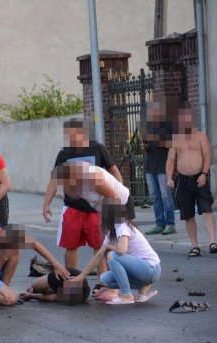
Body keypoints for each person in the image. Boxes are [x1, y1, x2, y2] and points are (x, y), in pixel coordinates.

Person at [43, 118, 124, 273]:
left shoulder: (97, 149)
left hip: (96, 209)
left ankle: (103, 283)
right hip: (73, 208)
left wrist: (119, 191)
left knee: (99, 246)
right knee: (71, 246)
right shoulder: (64, 153)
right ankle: (71, 280)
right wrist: (46, 204)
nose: (70, 136)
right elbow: (54, 181)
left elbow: (113, 170)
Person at [0, 223, 70, 306]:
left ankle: (2, 291)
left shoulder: (6, 231)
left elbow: (34, 244)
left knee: (14, 256)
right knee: (11, 299)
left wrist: (56, 264)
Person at [70, 199, 160, 305]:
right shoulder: (111, 230)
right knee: (104, 279)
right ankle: (142, 286)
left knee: (112, 255)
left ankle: (127, 295)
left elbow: (122, 250)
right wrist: (82, 275)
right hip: (142, 271)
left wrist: (107, 246)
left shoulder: (122, 225)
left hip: (151, 269)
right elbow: (99, 256)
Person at [166, 103, 216, 257]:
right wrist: (169, 178)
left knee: (207, 210)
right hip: (183, 180)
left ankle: (213, 242)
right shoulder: (175, 139)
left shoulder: (200, 136)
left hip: (199, 178)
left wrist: (204, 174)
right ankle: (195, 246)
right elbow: (170, 160)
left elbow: (208, 157)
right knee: (187, 214)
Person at [143, 99, 176, 235]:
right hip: (149, 166)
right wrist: (143, 147)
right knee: (155, 197)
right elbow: (145, 145)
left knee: (166, 196)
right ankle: (159, 223)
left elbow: (171, 145)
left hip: (163, 166)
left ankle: (170, 224)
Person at [19, 268, 90, 305]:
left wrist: (31, 296)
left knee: (36, 291)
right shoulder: (65, 277)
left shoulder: (77, 296)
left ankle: (51, 289)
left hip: (72, 289)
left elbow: (52, 298)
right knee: (34, 287)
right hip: (63, 275)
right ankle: (49, 283)